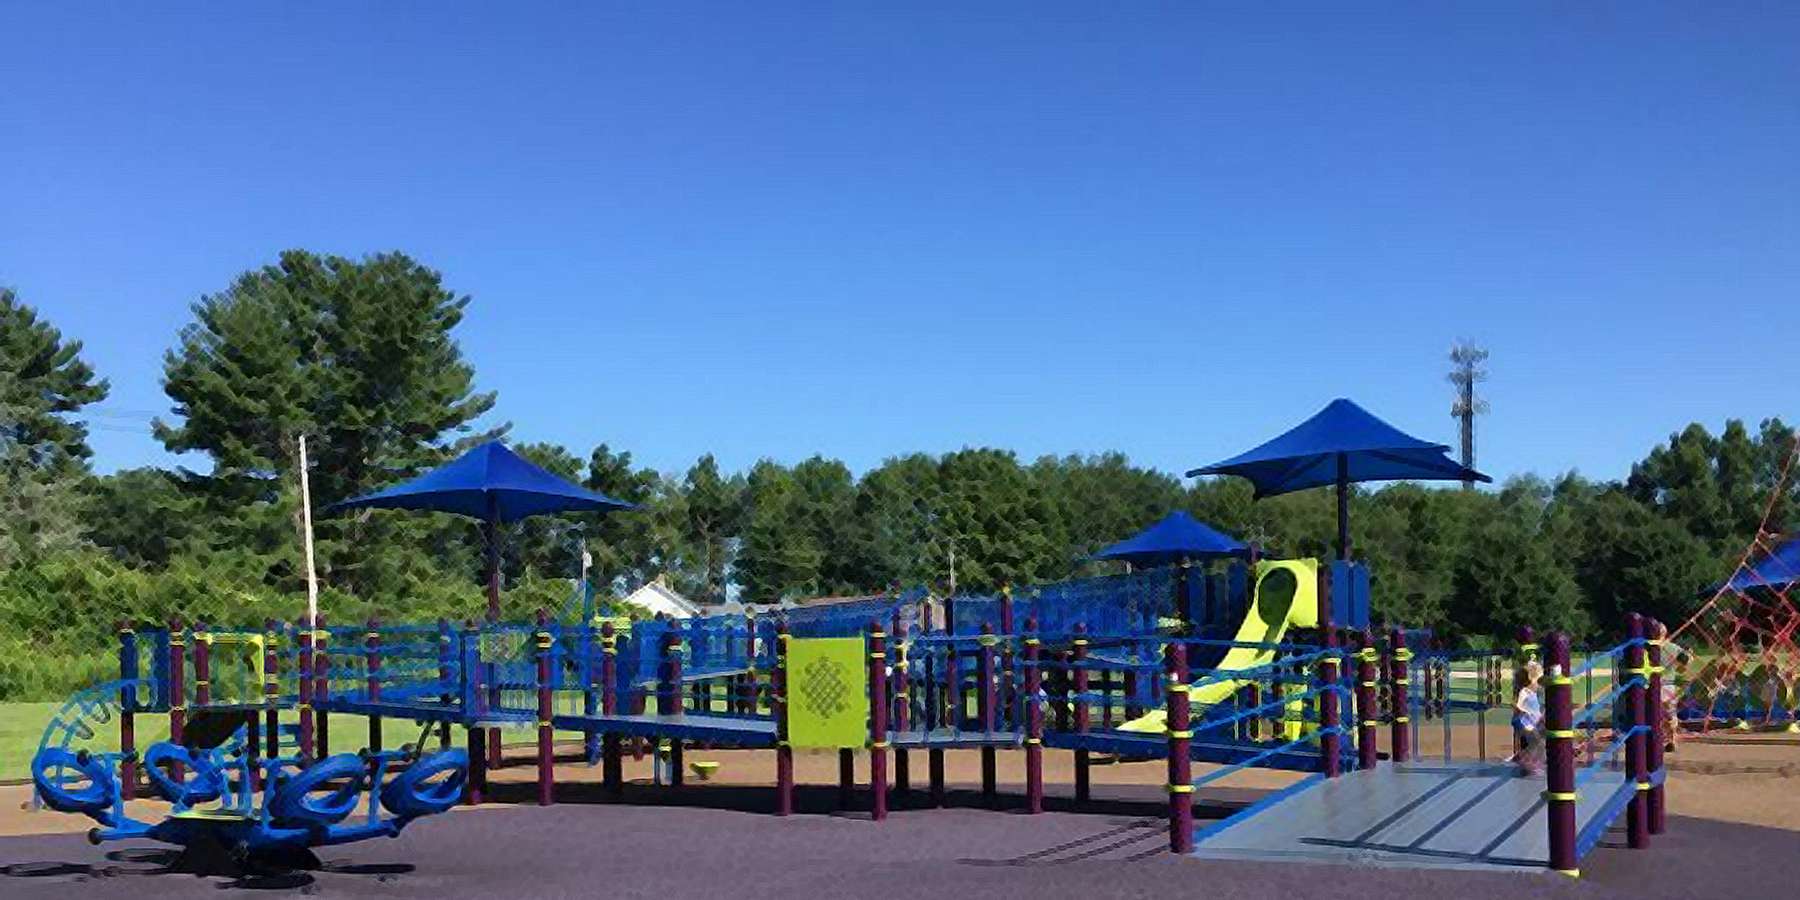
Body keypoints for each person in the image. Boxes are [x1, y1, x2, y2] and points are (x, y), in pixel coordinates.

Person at [1513, 660, 1545, 776]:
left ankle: (1529, 760)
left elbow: (1535, 709)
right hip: (1524, 723)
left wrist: (1540, 715)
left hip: (1531, 723)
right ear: (1531, 680)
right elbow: (1518, 705)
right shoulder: (1525, 692)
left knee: (1539, 741)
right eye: (1538, 681)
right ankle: (1525, 760)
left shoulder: (1533, 693)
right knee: (1536, 742)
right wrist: (1525, 711)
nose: (1539, 684)